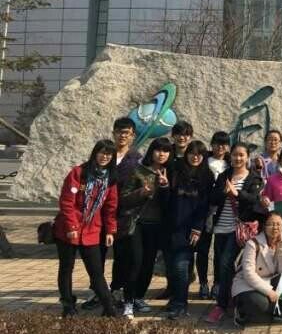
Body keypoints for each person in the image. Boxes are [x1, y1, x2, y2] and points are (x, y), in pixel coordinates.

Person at [81, 117, 142, 311]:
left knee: (122, 256)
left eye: (127, 133)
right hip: (98, 215)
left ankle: (116, 290)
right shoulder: (105, 154)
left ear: (133, 136)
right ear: (114, 133)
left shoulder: (137, 159)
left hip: (124, 216)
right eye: (119, 132)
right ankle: (97, 291)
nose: (122, 136)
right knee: (96, 256)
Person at [54, 139, 119, 318]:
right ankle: (68, 305)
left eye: (109, 154)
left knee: (96, 272)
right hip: (68, 230)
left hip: (91, 230)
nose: (105, 156)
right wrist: (72, 226)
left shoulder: (110, 178)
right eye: (102, 152)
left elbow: (111, 207)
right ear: (95, 153)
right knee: (66, 268)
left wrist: (110, 230)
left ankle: (109, 308)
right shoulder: (78, 172)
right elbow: (67, 202)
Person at [205, 142, 265, 324]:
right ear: (229, 156)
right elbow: (213, 198)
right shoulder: (224, 175)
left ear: (247, 157)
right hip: (221, 227)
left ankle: (221, 305)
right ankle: (233, 297)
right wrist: (224, 193)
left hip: (238, 229)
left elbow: (254, 201)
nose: (237, 158)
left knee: (225, 262)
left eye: (241, 155)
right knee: (222, 264)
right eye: (234, 155)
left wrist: (237, 193)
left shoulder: (254, 178)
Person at [162, 140, 213, 319]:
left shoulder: (207, 176)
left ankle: (180, 304)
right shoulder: (175, 171)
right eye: (192, 153)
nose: (195, 157)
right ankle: (176, 299)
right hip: (170, 227)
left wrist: (197, 228)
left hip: (189, 229)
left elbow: (204, 206)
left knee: (181, 266)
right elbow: (166, 200)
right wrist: (164, 186)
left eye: (199, 154)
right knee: (172, 266)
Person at [129, 137, 173, 314]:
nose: (162, 154)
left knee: (148, 263)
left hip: (157, 226)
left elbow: (170, 204)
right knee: (136, 261)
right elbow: (125, 197)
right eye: (158, 150)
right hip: (138, 223)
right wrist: (141, 192)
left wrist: (165, 186)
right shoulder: (139, 171)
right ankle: (128, 297)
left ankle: (138, 297)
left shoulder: (171, 172)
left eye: (166, 151)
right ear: (151, 151)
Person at [232, 212, 282, 326]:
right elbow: (249, 275)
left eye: (279, 224)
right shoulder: (252, 244)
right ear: (264, 226)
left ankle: (275, 310)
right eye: (271, 224)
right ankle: (241, 311)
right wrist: (269, 291)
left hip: (268, 281)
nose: (275, 227)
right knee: (261, 305)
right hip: (247, 285)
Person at [201, 131, 230, 299]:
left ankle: (218, 283)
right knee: (203, 249)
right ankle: (203, 283)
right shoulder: (204, 160)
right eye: (217, 143)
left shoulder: (230, 163)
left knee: (219, 250)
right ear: (211, 144)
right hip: (204, 209)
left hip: (223, 210)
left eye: (224, 144)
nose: (220, 147)